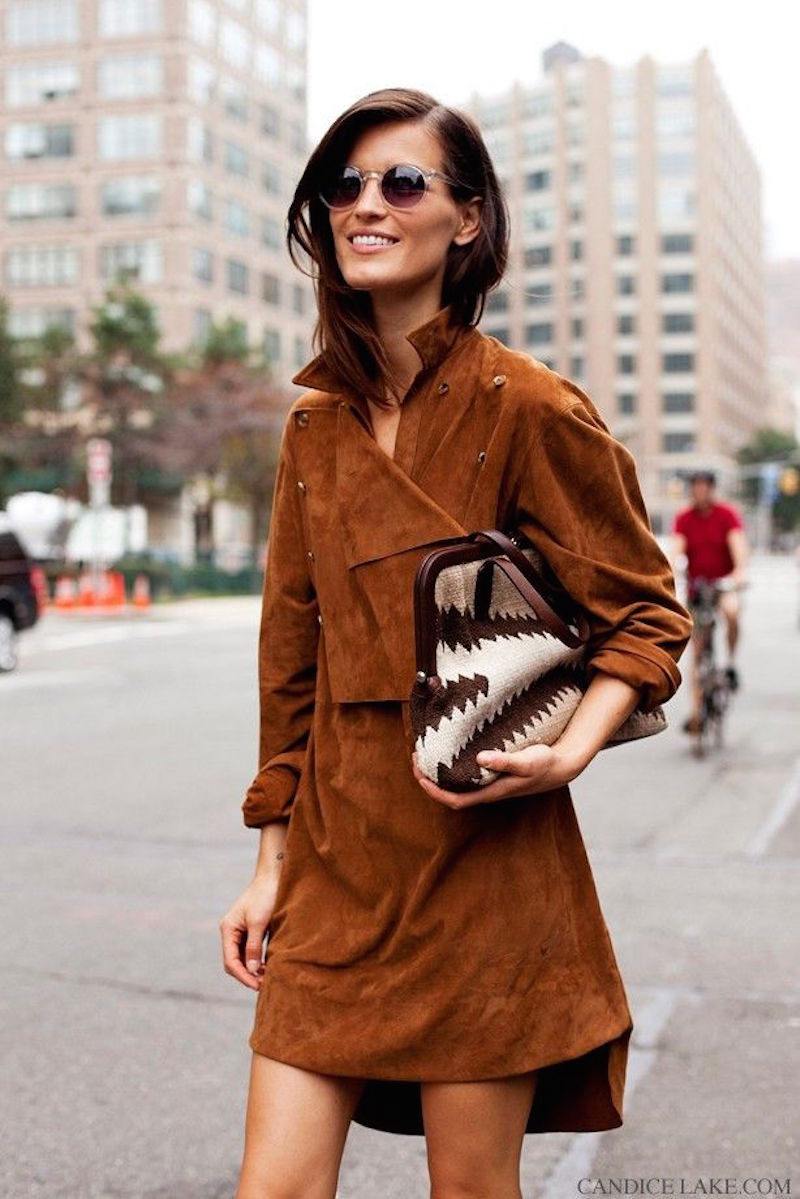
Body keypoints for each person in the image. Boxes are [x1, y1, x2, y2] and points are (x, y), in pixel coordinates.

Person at [220, 87, 693, 1199]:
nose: (365, 205)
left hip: (485, 865)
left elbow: (645, 612)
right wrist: (269, 862)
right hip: (336, 865)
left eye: (401, 182)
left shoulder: (528, 405)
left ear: (467, 218)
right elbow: (292, 664)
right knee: (271, 1186)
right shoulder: (312, 426)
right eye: (343, 185)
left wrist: (569, 749)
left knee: (470, 1188)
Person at [670, 470, 749, 734]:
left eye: (704, 487)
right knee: (696, 650)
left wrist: (739, 573)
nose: (699, 492)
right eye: (696, 488)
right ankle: (695, 714)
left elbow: (738, 547)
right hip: (698, 588)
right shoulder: (684, 518)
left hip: (723, 585)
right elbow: (676, 551)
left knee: (732, 612)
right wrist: (671, 574)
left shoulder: (726, 514)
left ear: (712, 489)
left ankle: (730, 665)